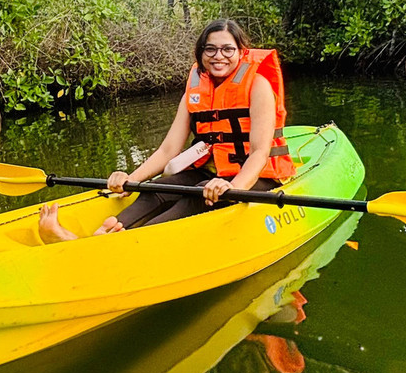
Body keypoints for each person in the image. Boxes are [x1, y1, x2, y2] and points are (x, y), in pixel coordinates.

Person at [38, 18, 294, 243]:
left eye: (228, 49)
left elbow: (260, 152)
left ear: (241, 52)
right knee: (158, 188)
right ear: (201, 53)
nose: (219, 56)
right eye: (211, 49)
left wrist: (234, 186)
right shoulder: (195, 89)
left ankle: (130, 240)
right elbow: (168, 149)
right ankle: (110, 232)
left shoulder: (257, 85)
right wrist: (131, 179)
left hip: (255, 176)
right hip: (209, 170)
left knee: (201, 192)